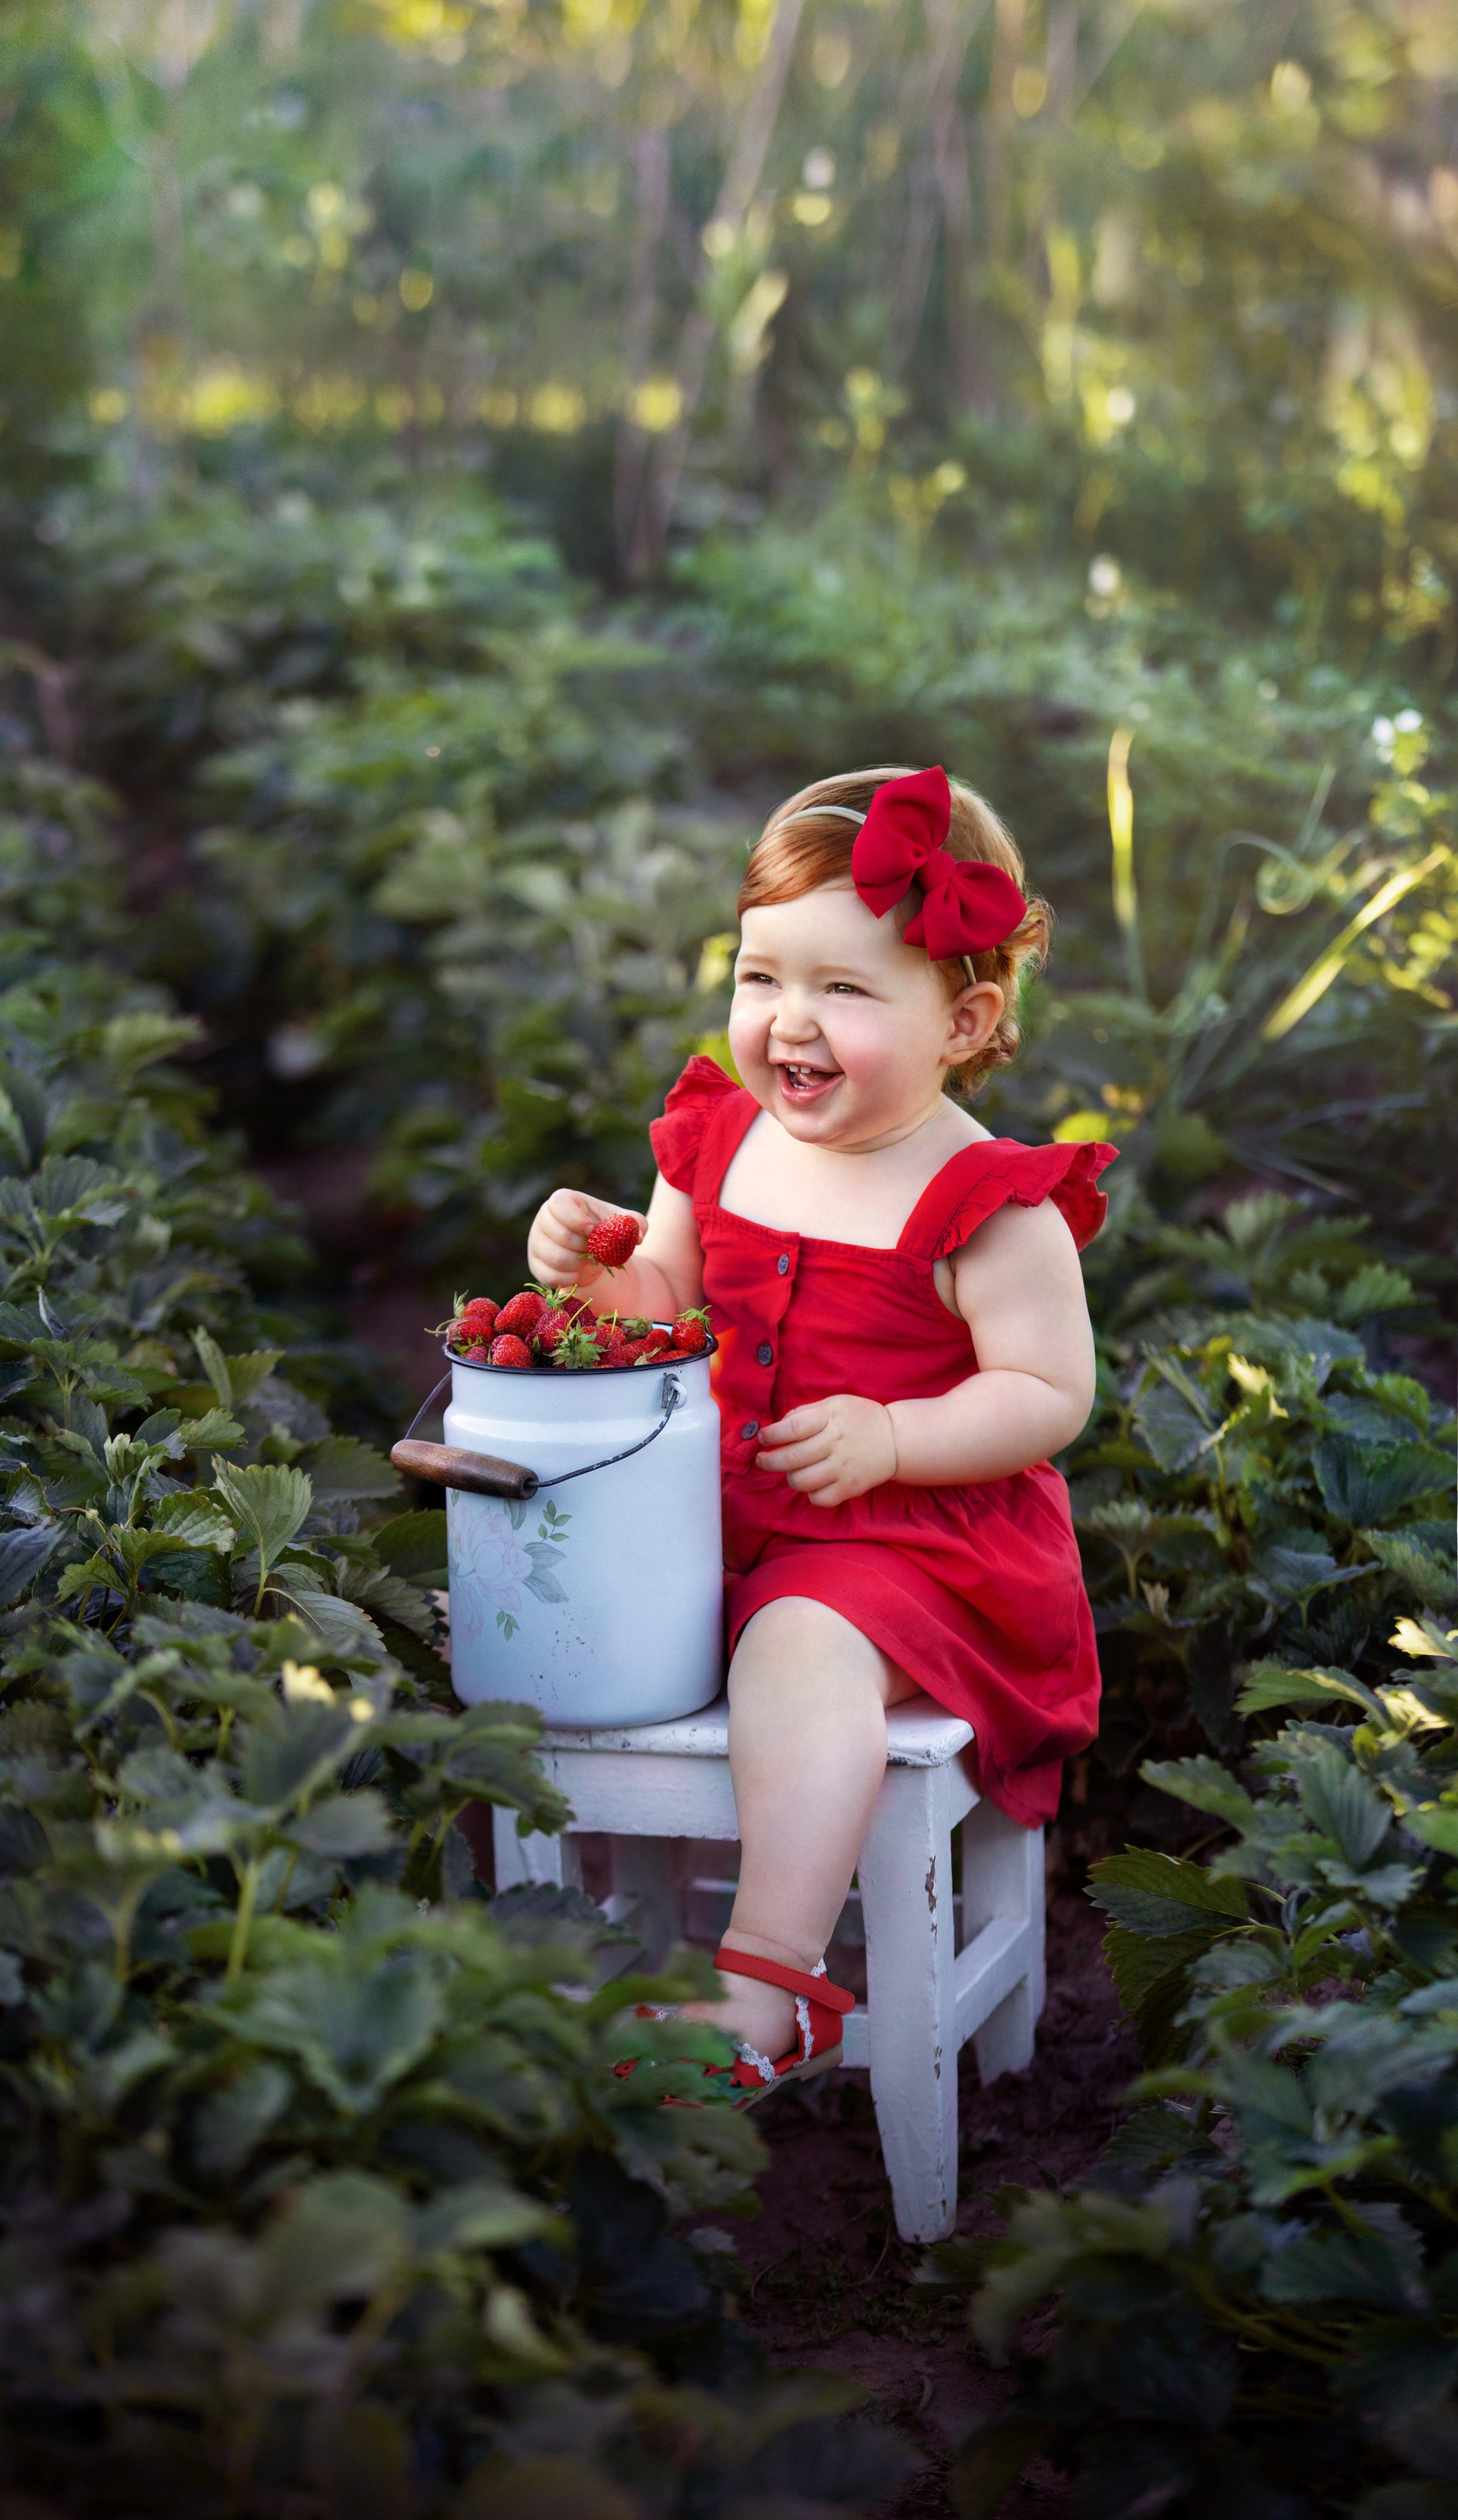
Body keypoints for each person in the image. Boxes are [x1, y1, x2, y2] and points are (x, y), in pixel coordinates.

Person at [525, 765, 1115, 2101]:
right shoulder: (717, 1143)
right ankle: (552, 1947)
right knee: (545, 1596)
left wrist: (896, 1438)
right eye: (761, 978)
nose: (788, 1022)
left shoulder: (987, 1203)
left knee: (800, 1643)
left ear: (964, 1017)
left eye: (845, 991)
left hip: (910, 1548)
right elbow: (663, 1309)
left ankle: (765, 1986)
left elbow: (1044, 1393)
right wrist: (585, 1273)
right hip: (727, 1513)